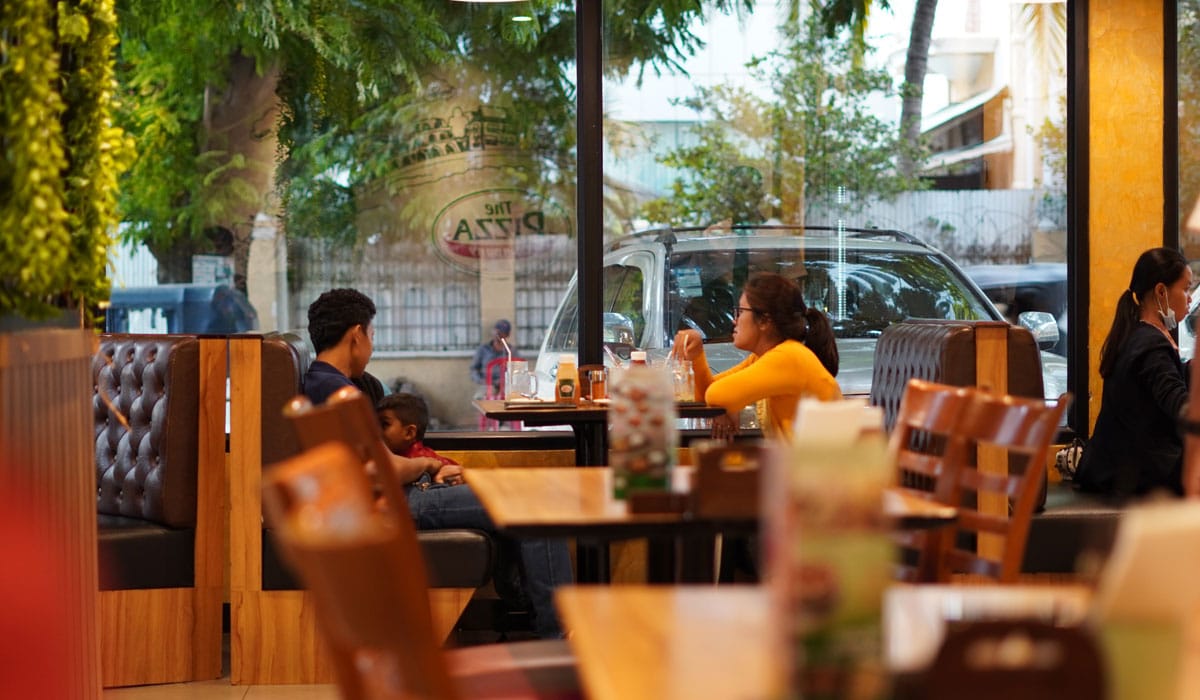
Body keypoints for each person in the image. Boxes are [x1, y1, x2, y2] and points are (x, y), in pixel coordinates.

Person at [304, 289, 571, 637]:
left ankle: (531, 618)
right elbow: (379, 472)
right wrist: (429, 467)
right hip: (389, 504)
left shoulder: (320, 381)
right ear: (356, 334)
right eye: (371, 335)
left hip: (379, 502)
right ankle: (559, 634)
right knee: (534, 500)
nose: (372, 344)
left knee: (520, 495)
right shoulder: (339, 392)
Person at [1074, 248, 1194, 497]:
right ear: (1161, 291)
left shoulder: (1140, 335)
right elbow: (1178, 402)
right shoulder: (1151, 344)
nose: (1190, 298)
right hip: (1136, 472)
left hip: (1121, 467)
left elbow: (1172, 377)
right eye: (1185, 289)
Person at [672, 272, 842, 440]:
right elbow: (707, 394)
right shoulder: (764, 357)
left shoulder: (789, 356)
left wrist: (725, 406)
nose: (734, 320)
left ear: (764, 321)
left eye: (740, 312)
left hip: (831, 464)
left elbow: (717, 395)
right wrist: (696, 354)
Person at [470, 319, 516, 397]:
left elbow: (518, 370)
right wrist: (482, 381)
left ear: (507, 335)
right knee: (479, 399)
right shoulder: (483, 349)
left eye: (502, 332)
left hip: (505, 386)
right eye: (497, 331)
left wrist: (507, 381)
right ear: (493, 331)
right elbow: (474, 369)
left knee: (510, 400)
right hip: (486, 385)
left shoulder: (511, 351)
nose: (498, 335)